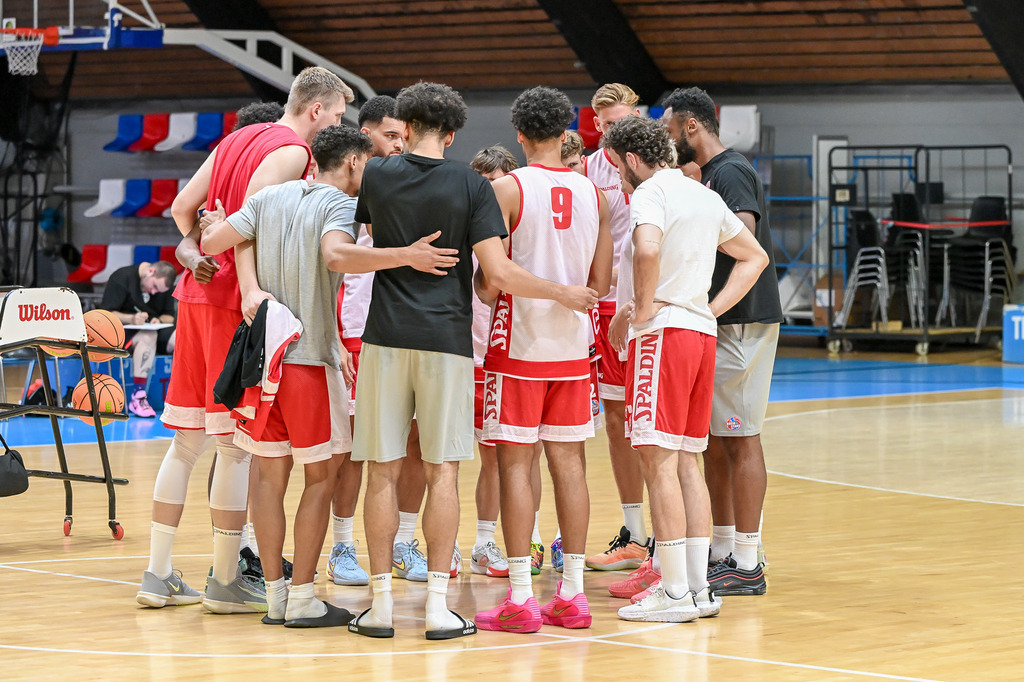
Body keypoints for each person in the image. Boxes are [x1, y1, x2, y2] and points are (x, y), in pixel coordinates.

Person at [346, 81, 597, 640]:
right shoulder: (473, 184)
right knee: (445, 473)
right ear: (454, 132)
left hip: (384, 337)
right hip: (449, 342)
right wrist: (562, 293)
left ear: (403, 128)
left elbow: (356, 243)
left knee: (382, 473)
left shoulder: (378, 174)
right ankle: (439, 608)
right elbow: (497, 279)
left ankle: (382, 606)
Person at [135, 66, 353, 612]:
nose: (337, 126)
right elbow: (248, 221)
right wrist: (252, 288)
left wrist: (193, 255)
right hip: (236, 307)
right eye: (338, 115)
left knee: (186, 442)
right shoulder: (294, 153)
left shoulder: (233, 139)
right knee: (234, 448)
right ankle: (226, 580)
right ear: (317, 110)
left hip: (192, 299)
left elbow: (183, 212)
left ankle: (157, 574)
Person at [600, 115, 768, 622]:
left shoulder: (651, 192)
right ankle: (697, 588)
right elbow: (754, 256)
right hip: (700, 332)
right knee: (687, 462)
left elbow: (647, 248)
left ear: (632, 160)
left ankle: (672, 590)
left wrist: (644, 308)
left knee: (656, 462)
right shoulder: (704, 194)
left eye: (616, 168)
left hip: (665, 334)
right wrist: (709, 309)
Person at [475, 86, 612, 633]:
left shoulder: (507, 189)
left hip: (519, 347)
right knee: (571, 467)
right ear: (566, 133)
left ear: (521, 136)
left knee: (516, 467)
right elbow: (599, 284)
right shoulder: (594, 193)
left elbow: (491, 285)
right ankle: (574, 595)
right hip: (573, 350)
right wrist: (567, 292)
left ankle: (519, 598)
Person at [662, 87, 783, 596]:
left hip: (739, 322)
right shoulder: (710, 175)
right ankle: (723, 549)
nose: (668, 139)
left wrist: (710, 311)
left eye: (670, 128)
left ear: (692, 126)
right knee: (714, 440)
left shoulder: (729, 172)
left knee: (741, 435)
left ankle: (748, 561)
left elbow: (743, 245)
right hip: (720, 324)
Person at [328, 95, 405, 588]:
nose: (399, 144)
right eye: (390, 136)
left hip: (402, 330)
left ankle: (404, 543)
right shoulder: (346, 194)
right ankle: (341, 545)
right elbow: (334, 267)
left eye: (404, 136)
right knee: (353, 449)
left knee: (401, 448)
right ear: (367, 136)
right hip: (355, 328)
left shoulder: (404, 182)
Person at [582, 83, 651, 572]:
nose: (610, 131)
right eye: (604, 124)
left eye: (619, 121)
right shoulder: (589, 168)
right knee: (615, 424)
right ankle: (637, 532)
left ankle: (717, 538)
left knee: (659, 425)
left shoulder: (661, 165)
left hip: (651, 308)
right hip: (604, 308)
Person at [98, 261, 177, 417]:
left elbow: (170, 316)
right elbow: (105, 314)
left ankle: (182, 395)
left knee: (181, 338)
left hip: (153, 328)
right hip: (123, 332)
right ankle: (138, 397)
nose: (154, 292)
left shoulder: (163, 287)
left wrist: (159, 320)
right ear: (151, 271)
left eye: (158, 290)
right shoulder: (122, 278)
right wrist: (132, 318)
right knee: (149, 336)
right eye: (153, 286)